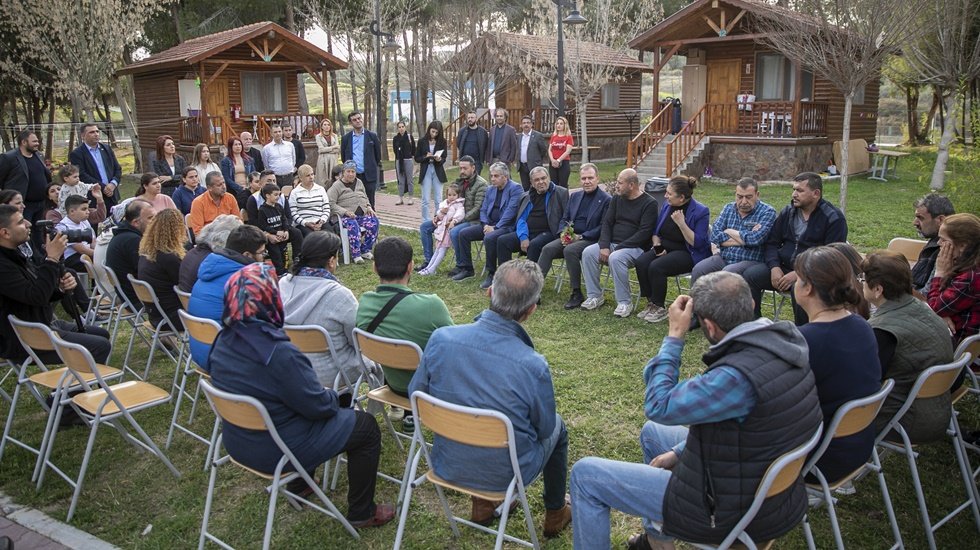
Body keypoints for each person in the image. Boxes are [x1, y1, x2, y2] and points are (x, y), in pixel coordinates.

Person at [569, 272, 822, 549]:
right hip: (769, 489)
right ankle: (658, 542)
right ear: (751, 304)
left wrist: (674, 336)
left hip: (728, 510)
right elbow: (748, 427)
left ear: (709, 327)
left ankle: (666, 529)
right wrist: (680, 452)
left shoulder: (735, 378)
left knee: (586, 475)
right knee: (654, 433)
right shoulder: (785, 344)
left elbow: (658, 404)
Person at [208, 262, 395, 528]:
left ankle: (300, 484)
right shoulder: (278, 352)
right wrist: (333, 396)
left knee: (294, 410)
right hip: (277, 449)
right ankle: (362, 511)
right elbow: (318, 407)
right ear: (269, 299)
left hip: (239, 440)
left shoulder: (221, 341)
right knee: (365, 427)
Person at [408, 259, 571, 536]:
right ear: (531, 309)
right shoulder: (533, 365)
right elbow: (544, 429)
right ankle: (555, 512)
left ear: (489, 292)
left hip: (446, 462)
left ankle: (483, 505)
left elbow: (416, 395)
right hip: (506, 474)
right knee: (558, 426)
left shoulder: (441, 339)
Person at [794, 246, 880, 483]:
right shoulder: (862, 326)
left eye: (798, 278)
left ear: (808, 287)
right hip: (858, 447)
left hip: (816, 459)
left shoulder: (805, 341)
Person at [357, 236, 453, 429]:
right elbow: (454, 347)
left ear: (374, 267)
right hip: (428, 389)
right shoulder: (431, 305)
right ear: (410, 266)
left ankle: (406, 413)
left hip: (393, 385)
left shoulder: (365, 302)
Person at [0, 204, 111, 365]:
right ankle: (81, 382)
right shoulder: (4, 265)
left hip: (39, 324)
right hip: (25, 339)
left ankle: (79, 379)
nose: (28, 224)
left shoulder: (14, 254)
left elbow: (37, 290)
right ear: (5, 233)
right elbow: (36, 296)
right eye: (20, 222)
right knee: (100, 346)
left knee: (101, 334)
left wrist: (60, 288)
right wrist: (52, 259)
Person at [862, 250, 954, 442]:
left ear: (877, 289)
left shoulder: (883, 331)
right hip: (937, 410)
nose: (861, 283)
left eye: (863, 279)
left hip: (905, 421)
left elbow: (865, 384)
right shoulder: (924, 309)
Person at [741, 172, 848, 325]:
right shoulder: (788, 212)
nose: (794, 194)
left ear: (816, 193)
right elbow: (772, 243)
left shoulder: (833, 218)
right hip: (783, 268)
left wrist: (800, 274)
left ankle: (804, 331)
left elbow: (832, 257)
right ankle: (754, 326)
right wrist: (774, 267)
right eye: (793, 189)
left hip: (813, 274)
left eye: (799, 190)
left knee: (800, 288)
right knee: (750, 276)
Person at [280, 231, 361, 387]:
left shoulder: (283, 284)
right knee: (375, 358)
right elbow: (357, 339)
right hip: (332, 373)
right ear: (331, 261)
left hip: (292, 368)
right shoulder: (340, 295)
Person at [581, 168, 658, 316]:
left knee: (616, 258)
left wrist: (618, 248)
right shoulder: (617, 199)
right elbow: (607, 223)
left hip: (636, 248)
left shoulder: (649, 203)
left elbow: (644, 233)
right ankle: (595, 296)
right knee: (588, 252)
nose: (616, 185)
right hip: (613, 245)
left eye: (620, 183)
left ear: (631, 185)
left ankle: (624, 303)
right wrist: (604, 245)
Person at [188, 224, 267, 368]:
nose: (264, 257)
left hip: (201, 353)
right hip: (227, 361)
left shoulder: (210, 269)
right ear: (247, 255)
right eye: (262, 253)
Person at [634, 176, 711, 323]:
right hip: (665, 246)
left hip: (687, 252)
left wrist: (681, 223)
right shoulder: (667, 205)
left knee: (657, 266)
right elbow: (656, 231)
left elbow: (698, 243)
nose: (665, 196)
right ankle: (651, 301)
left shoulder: (701, 211)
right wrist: (657, 246)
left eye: (669, 193)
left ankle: (659, 306)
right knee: (641, 262)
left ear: (681, 197)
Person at [537, 163, 611, 309]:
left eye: (590, 178)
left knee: (570, 250)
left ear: (597, 178)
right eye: (583, 178)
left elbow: (603, 226)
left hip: (590, 239)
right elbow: (565, 218)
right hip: (570, 236)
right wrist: (564, 233)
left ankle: (576, 293)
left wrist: (581, 236)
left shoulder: (606, 199)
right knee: (547, 249)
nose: (587, 181)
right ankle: (534, 290)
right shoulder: (575, 196)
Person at [493, 166, 569, 290]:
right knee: (503, 241)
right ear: (532, 183)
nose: (541, 182)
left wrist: (562, 233)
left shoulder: (561, 193)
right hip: (528, 232)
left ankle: (529, 287)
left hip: (550, 232)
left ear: (549, 178)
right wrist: (523, 237)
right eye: (537, 180)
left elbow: (566, 216)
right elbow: (521, 219)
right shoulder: (527, 196)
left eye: (543, 178)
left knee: (534, 245)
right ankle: (505, 281)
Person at [690, 177, 776, 285]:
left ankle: (721, 297)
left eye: (748, 197)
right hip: (724, 257)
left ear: (757, 195)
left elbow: (755, 240)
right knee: (699, 269)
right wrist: (744, 239)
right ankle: (697, 297)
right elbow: (715, 236)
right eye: (739, 197)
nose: (744, 201)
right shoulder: (728, 208)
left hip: (750, 260)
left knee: (727, 273)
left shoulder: (767, 212)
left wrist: (729, 231)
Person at [453, 162, 523, 282]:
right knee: (463, 233)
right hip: (488, 224)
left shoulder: (515, 188)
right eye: (491, 176)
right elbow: (483, 209)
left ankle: (492, 273)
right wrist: (485, 224)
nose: (492, 179)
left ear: (505, 177)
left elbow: (510, 212)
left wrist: (495, 227)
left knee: (489, 238)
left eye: (496, 176)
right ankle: (467, 269)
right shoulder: (490, 189)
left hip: (505, 226)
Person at [419, 156, 486, 273]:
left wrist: (457, 221)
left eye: (465, 168)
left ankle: (461, 266)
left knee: (455, 231)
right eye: (460, 168)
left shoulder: (481, 184)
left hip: (471, 220)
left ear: (473, 168)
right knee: (425, 227)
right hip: (448, 217)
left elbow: (478, 208)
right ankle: (428, 262)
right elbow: (447, 201)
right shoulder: (458, 181)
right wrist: (438, 216)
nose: (462, 171)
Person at [927, 212, 980, 347]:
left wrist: (939, 273)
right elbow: (939, 308)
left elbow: (935, 307)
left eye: (943, 240)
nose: (938, 243)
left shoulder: (970, 277)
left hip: (959, 346)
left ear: (963, 245)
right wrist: (942, 314)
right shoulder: (965, 265)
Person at [0, 130, 52, 257]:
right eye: (34, 141)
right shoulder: (9, 158)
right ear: (23, 142)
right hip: (23, 205)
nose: (37, 143)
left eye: (37, 141)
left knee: (38, 233)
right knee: (25, 233)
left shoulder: (38, 155)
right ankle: (28, 258)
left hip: (40, 203)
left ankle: (40, 258)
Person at [137, 208, 186, 331]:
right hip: (173, 317)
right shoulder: (169, 258)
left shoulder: (146, 254)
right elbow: (185, 286)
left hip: (156, 315)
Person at [105, 200, 156, 308]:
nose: (155, 222)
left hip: (129, 295)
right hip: (138, 299)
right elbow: (147, 272)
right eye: (150, 218)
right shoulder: (132, 240)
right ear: (136, 222)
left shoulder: (124, 235)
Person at [327, 161, 379, 264]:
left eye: (353, 172)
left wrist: (369, 207)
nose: (351, 174)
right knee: (353, 225)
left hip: (361, 215)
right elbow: (331, 203)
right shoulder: (336, 186)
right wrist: (345, 212)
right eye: (348, 171)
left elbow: (365, 197)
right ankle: (356, 254)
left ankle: (365, 250)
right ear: (343, 172)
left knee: (374, 222)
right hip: (345, 217)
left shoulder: (359, 182)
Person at [178, 214, 242, 292]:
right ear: (225, 238)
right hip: (200, 297)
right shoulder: (212, 261)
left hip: (190, 296)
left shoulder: (192, 252)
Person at [68, 123, 121, 207]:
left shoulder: (107, 148)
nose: (96, 134)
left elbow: (117, 168)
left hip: (112, 195)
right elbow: (81, 175)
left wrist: (113, 184)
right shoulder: (77, 154)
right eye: (92, 132)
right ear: (83, 135)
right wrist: (103, 187)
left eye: (97, 131)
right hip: (93, 197)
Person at [256, 183, 303, 275]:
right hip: (272, 236)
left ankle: (297, 260)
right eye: (275, 194)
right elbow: (263, 225)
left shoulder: (279, 206)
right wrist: (275, 232)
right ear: (267, 196)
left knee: (296, 233)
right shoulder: (262, 210)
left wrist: (286, 231)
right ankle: (280, 273)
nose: (278, 197)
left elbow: (284, 219)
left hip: (282, 233)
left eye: (279, 194)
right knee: (277, 256)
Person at [911, 193, 954, 293]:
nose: (915, 223)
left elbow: (927, 296)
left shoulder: (946, 250)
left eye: (920, 218)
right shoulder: (935, 240)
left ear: (941, 220)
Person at [417, 185, 465, 276]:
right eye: (449, 195)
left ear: (458, 195)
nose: (451, 197)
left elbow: (460, 214)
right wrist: (442, 212)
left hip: (448, 230)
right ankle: (429, 267)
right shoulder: (444, 204)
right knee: (437, 250)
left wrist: (454, 220)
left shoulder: (458, 205)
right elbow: (439, 215)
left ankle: (432, 269)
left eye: (454, 195)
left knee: (442, 250)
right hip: (441, 230)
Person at [341, 111, 383, 208]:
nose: (358, 121)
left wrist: (371, 165)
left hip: (369, 175)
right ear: (351, 123)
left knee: (370, 202)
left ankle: (371, 217)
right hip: (353, 176)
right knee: (354, 202)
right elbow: (344, 157)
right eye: (354, 120)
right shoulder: (346, 138)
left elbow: (378, 156)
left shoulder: (372, 136)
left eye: (359, 118)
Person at [415, 120, 449, 222]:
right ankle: (425, 220)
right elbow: (417, 158)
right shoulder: (422, 141)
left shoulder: (442, 141)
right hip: (426, 169)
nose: (434, 134)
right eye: (432, 131)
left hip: (437, 169)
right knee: (425, 198)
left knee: (438, 198)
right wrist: (425, 156)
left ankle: (438, 219)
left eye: (436, 132)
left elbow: (444, 157)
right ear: (429, 129)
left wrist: (439, 159)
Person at [54, 195, 96, 272]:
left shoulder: (84, 221)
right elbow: (81, 250)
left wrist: (98, 252)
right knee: (101, 263)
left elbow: (93, 242)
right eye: (84, 209)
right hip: (72, 258)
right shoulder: (64, 227)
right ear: (72, 211)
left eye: (87, 208)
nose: (88, 212)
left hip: (86, 253)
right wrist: (100, 254)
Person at [288, 164, 330, 237]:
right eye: (308, 175)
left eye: (312, 174)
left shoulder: (321, 189)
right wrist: (306, 223)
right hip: (303, 224)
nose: (311, 177)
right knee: (312, 237)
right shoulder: (295, 192)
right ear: (301, 178)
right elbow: (293, 212)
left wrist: (322, 221)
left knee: (330, 235)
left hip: (320, 222)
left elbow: (326, 208)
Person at [516, 115, 549, 191]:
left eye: (528, 123)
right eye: (524, 123)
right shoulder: (519, 137)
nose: (526, 125)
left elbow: (543, 150)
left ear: (531, 124)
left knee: (536, 186)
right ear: (521, 125)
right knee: (525, 187)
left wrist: (537, 160)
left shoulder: (538, 136)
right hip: (522, 166)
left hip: (534, 166)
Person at [262, 125, 296, 190]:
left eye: (279, 131)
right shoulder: (266, 148)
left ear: (282, 132)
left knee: (289, 194)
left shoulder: (290, 145)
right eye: (275, 132)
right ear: (271, 134)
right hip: (275, 178)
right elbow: (266, 164)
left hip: (289, 177)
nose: (278, 134)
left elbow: (293, 160)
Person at [392, 121, 415, 205]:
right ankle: (400, 198)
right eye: (399, 127)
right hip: (399, 161)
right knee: (400, 180)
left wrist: (410, 156)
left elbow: (413, 149)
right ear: (397, 128)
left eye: (402, 127)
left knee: (409, 180)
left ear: (405, 127)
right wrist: (399, 157)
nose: (401, 128)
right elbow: (395, 150)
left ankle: (410, 197)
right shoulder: (395, 138)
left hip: (408, 160)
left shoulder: (409, 137)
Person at [548, 117, 574, 189]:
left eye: (561, 124)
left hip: (563, 162)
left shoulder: (568, 137)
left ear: (565, 125)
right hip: (553, 162)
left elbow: (568, 151)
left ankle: (564, 196)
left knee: (563, 184)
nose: (559, 125)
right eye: (557, 123)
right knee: (553, 184)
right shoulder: (553, 136)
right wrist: (552, 160)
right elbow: (549, 150)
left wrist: (558, 160)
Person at [315, 119, 341, 187]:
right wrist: (333, 147)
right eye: (325, 125)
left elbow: (337, 149)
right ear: (322, 126)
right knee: (322, 179)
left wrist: (326, 149)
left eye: (328, 125)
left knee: (333, 177)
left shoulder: (334, 136)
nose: (327, 126)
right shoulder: (318, 136)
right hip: (323, 160)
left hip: (333, 159)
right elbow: (321, 149)